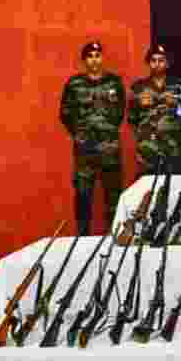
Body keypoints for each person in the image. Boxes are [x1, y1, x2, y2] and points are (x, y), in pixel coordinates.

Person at [60, 41, 126, 236]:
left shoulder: (114, 82)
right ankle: (82, 236)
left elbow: (120, 111)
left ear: (102, 58)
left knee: (112, 194)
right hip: (84, 150)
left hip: (109, 148)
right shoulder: (74, 84)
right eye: (90, 56)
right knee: (83, 193)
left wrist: (107, 131)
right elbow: (65, 113)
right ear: (84, 60)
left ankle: (113, 234)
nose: (94, 60)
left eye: (97, 55)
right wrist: (80, 134)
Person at [127, 44, 181, 177]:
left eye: (161, 60)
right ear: (148, 63)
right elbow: (132, 119)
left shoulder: (179, 86)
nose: (157, 64)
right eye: (153, 60)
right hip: (147, 149)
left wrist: (176, 104)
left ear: (167, 63)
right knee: (146, 190)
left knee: (173, 191)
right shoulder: (138, 87)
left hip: (172, 148)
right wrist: (143, 139)